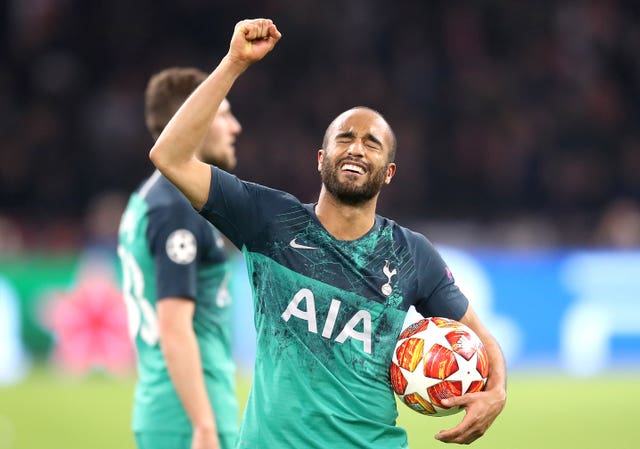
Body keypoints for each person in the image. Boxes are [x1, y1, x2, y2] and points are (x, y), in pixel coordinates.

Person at [149, 19, 507, 448]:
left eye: (371, 143)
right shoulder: (268, 219)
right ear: (321, 159)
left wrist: (497, 393)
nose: (356, 148)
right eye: (345, 139)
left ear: (389, 173)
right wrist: (233, 64)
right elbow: (168, 156)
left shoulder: (411, 254)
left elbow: (481, 338)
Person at [118, 67, 242, 449]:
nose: (235, 127)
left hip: (174, 411)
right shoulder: (175, 207)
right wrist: (204, 426)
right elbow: (174, 326)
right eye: (222, 114)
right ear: (196, 117)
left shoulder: (152, 198)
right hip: (186, 419)